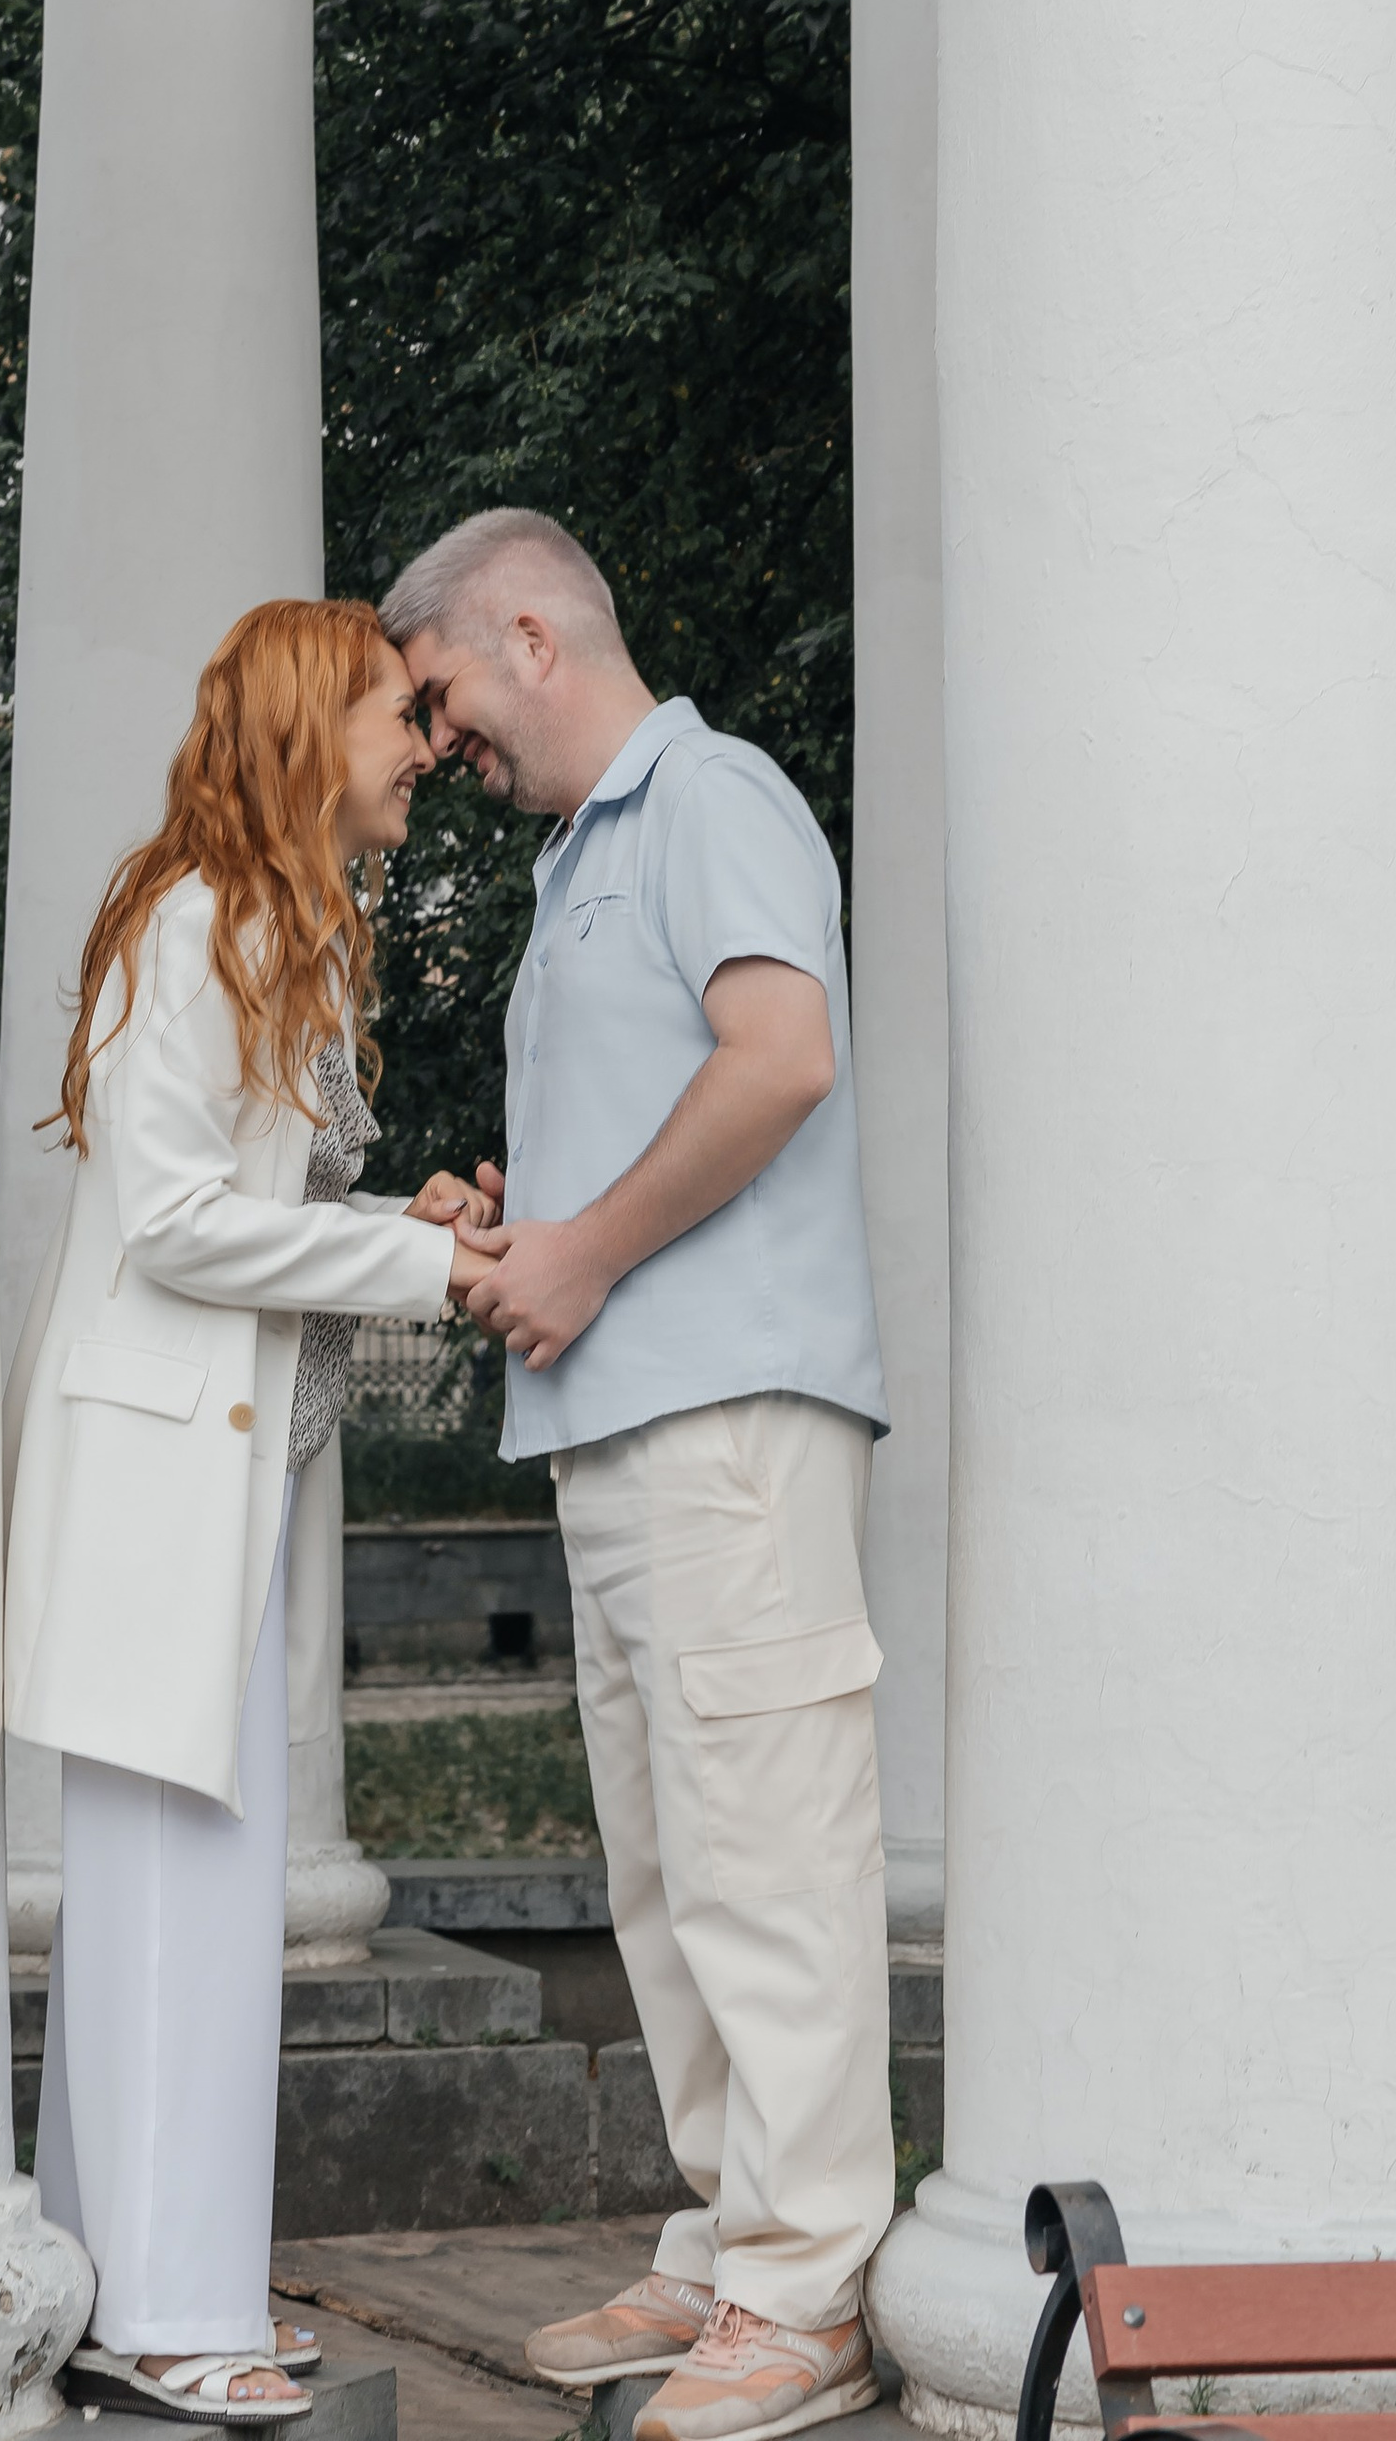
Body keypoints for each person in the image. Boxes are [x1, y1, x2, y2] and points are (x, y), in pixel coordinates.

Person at [380, 511, 892, 2441]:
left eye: (433, 698)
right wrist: (523, 1224)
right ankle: (724, 2247)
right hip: (615, 1423)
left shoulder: (711, 792)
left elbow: (778, 1060)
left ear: (528, 629)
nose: (432, 748)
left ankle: (809, 2285)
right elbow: (647, 1124)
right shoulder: (577, 864)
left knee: (769, 1854)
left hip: (730, 1414)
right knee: (669, 1872)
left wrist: (582, 1253)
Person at [2, 599, 495, 2429]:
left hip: (228, 1472)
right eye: (394, 716)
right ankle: (155, 2308)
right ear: (312, 725)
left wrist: (408, 1223)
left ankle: (155, 2280)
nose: (422, 750)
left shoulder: (271, 921)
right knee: (164, 1890)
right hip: (159, 1476)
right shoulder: (203, 914)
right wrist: (413, 1265)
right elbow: (180, 1224)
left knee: (199, 1891)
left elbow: (274, 1211)